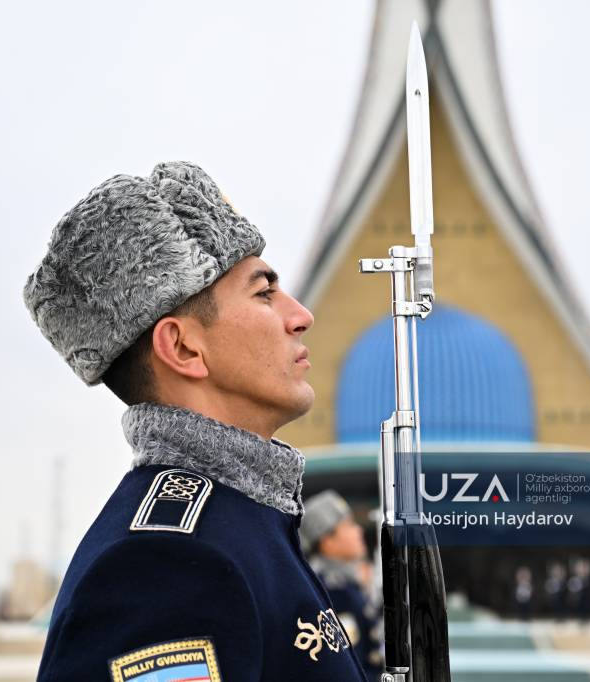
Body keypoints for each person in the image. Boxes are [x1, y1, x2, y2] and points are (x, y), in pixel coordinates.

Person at [23, 162, 368, 681]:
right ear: (183, 348)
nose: (300, 316)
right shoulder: (165, 565)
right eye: (264, 293)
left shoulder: (238, 522)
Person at [300, 490, 384, 681]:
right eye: (349, 525)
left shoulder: (345, 584)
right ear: (327, 540)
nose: (358, 531)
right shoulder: (327, 590)